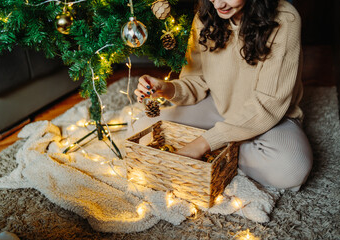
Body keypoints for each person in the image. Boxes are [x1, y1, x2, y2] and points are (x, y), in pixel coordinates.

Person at [130, 0, 313, 191]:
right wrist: (166, 89)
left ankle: (218, 146)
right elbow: (196, 80)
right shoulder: (206, 16)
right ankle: (225, 145)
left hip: (270, 119)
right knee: (140, 130)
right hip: (217, 106)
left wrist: (202, 144)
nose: (218, 3)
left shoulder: (285, 19)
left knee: (292, 170)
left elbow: (269, 104)